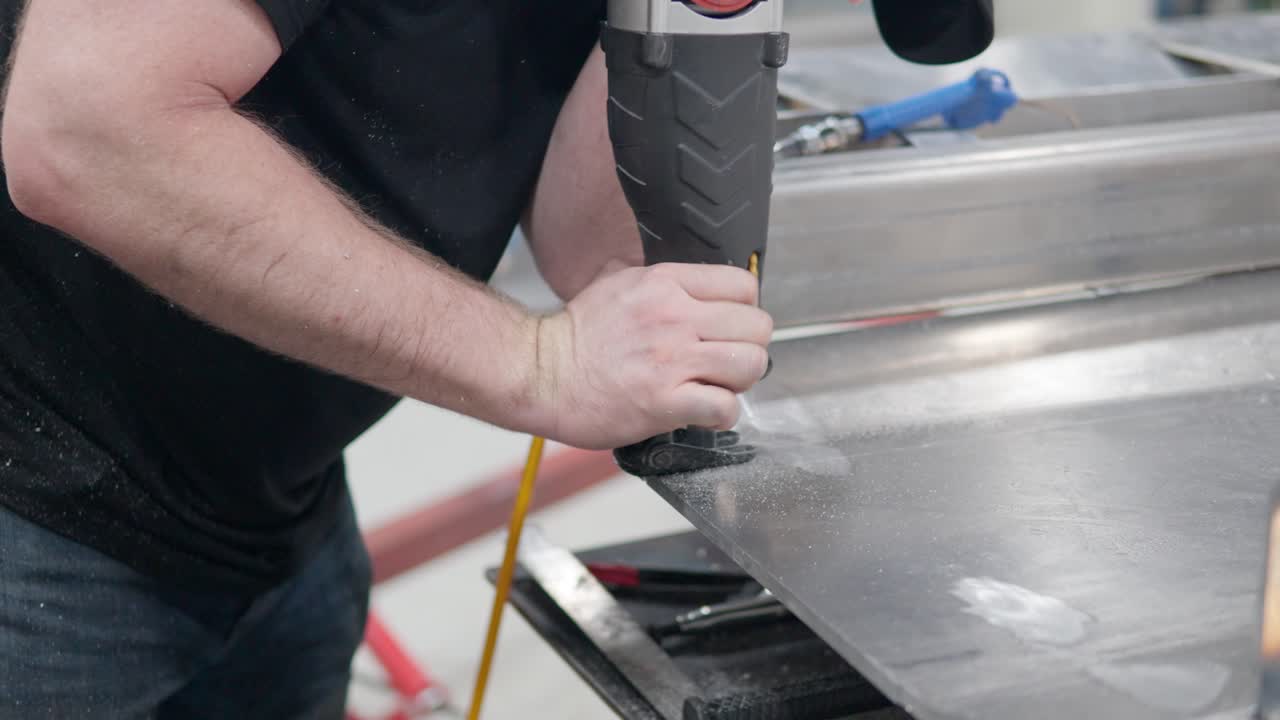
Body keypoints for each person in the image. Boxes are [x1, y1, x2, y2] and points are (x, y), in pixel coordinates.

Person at [0, 1, 774, 717]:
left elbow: (592, 253)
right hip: (37, 499)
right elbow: (84, 130)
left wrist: (679, 23)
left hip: (283, 504)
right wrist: (534, 364)